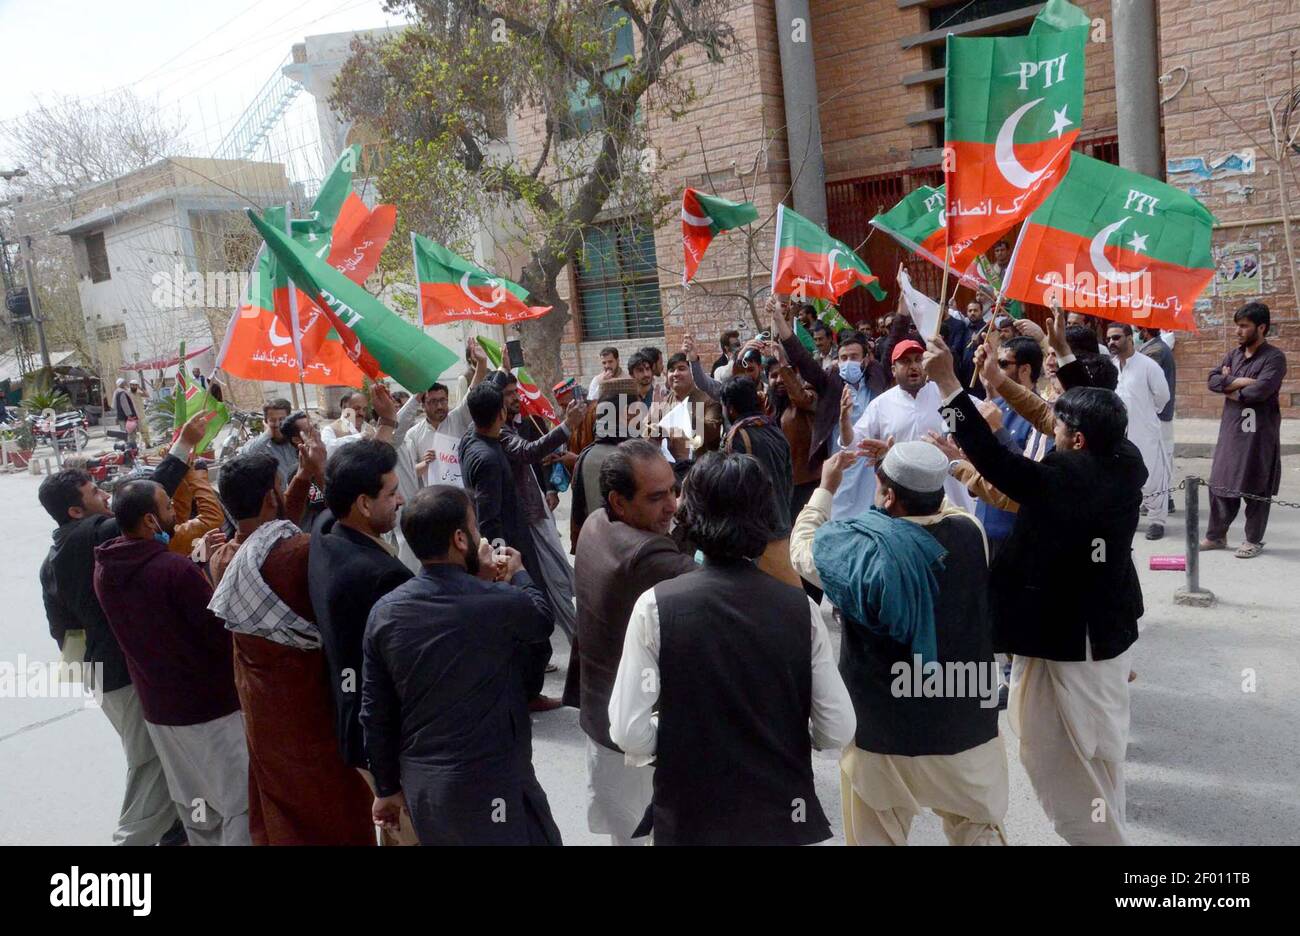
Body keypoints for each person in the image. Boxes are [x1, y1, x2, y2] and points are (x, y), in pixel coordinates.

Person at [923, 335, 1145, 845]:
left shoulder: (1065, 478)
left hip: (1072, 643)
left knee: (1061, 763)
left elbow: (996, 463)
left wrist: (949, 385)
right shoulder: (1124, 456)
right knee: (1101, 760)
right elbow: (1055, 414)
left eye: (1062, 427)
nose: (1052, 426)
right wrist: (999, 384)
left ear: (1078, 441)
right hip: (1102, 635)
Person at [608, 452, 855, 845]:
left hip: (690, 821)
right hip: (779, 820)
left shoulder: (656, 606)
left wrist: (677, 729)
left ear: (692, 516)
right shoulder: (800, 609)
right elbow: (837, 727)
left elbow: (628, 731)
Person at [791, 443, 1007, 846]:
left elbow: (801, 548)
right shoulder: (969, 534)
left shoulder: (855, 550)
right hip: (965, 726)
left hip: (879, 735)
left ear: (887, 495)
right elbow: (944, 511)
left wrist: (825, 489)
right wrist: (917, 466)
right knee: (979, 832)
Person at [37, 413, 211, 846]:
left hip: (104, 675)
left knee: (163, 760)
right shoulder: (90, 536)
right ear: (76, 511)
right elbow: (144, 506)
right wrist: (182, 447)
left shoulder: (54, 558)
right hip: (120, 676)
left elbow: (63, 631)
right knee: (148, 763)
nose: (106, 498)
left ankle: (176, 836)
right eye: (96, 493)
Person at [363, 486, 561, 845]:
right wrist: (517, 574)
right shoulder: (496, 602)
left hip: (427, 787)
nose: (480, 536)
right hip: (493, 782)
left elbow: (375, 711)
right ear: (460, 539)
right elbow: (540, 619)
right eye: (474, 527)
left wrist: (386, 787)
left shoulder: (386, 612)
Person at [207, 451, 374, 845]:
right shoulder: (303, 555)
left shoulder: (224, 559)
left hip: (264, 720)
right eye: (280, 488)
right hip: (314, 717)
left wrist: (301, 478)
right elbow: (285, 543)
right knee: (337, 814)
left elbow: (267, 536)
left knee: (286, 817)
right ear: (271, 497)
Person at [92, 479, 249, 845]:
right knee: (237, 804)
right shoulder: (173, 572)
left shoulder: (106, 568)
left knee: (196, 807)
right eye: (166, 506)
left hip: (161, 712)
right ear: (149, 521)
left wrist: (192, 563)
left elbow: (156, 600)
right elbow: (217, 633)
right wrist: (204, 573)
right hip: (209, 711)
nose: (174, 512)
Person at [573, 440, 697, 845]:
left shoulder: (597, 523)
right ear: (619, 501)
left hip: (601, 724)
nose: (672, 506)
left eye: (674, 491)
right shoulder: (647, 555)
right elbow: (715, 587)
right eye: (656, 497)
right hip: (633, 735)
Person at [307, 438, 413, 828]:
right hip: (383, 742)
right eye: (392, 493)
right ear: (364, 504)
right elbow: (393, 681)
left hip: (354, 729)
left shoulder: (324, 529)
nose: (401, 500)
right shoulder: (381, 577)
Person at [458, 383, 555, 707]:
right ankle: (528, 694)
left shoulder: (473, 439)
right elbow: (489, 517)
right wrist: (502, 561)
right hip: (510, 549)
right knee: (536, 620)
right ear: (500, 412)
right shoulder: (485, 456)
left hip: (509, 544)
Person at [773, 297, 888, 519]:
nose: (848, 362)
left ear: (865, 359)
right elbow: (803, 359)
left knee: (875, 513)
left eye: (854, 357)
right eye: (843, 357)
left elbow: (892, 342)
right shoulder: (830, 384)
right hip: (843, 461)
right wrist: (779, 320)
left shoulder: (878, 380)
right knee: (842, 516)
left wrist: (903, 307)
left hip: (873, 461)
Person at [493, 371, 585, 645]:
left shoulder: (520, 422)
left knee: (565, 579)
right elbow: (528, 451)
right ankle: (582, 646)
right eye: (509, 394)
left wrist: (549, 489)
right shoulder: (499, 433)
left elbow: (538, 459)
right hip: (526, 520)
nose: (516, 398)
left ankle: (587, 642)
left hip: (539, 510)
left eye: (515, 392)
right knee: (557, 583)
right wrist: (567, 425)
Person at [852, 339, 976, 515]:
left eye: (918, 359)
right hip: (904, 504)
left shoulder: (946, 395)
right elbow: (854, 442)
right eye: (906, 361)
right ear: (893, 370)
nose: (914, 366)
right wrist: (844, 424)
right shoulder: (881, 405)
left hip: (951, 499)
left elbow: (983, 415)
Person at [1204, 301, 1289, 557]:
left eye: (1244, 326)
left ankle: (1253, 540)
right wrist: (1237, 382)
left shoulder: (1274, 357)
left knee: (1256, 483)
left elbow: (1260, 390)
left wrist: (1230, 389)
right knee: (1221, 480)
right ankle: (1216, 536)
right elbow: (1212, 380)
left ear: (1261, 327)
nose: (1238, 331)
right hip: (1232, 430)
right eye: (1237, 326)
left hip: (1259, 433)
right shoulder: (1234, 355)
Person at [720, 375, 797, 587]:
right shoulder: (773, 428)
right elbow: (789, 477)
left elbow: (732, 488)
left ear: (730, 408)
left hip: (755, 533)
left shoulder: (737, 437)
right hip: (781, 521)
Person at [1105, 323, 1171, 540]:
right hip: (1118, 432)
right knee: (1121, 476)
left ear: (1129, 338)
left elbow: (1163, 396)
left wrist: (1146, 413)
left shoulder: (1148, 366)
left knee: (1152, 474)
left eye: (1116, 337)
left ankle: (1156, 521)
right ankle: (1128, 518)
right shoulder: (1111, 366)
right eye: (1109, 339)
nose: (1111, 342)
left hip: (1144, 428)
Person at [569, 379, 645, 550]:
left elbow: (579, 519)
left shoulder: (586, 455)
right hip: (635, 554)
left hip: (597, 552)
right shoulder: (637, 456)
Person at [1139, 327, 1177, 516]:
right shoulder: (1155, 348)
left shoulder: (1155, 351)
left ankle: (1161, 499)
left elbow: (1147, 384)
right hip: (1159, 414)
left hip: (1158, 415)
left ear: (1144, 331)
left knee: (1158, 459)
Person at [662, 351, 723, 456]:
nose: (675, 374)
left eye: (681, 369)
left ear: (693, 373)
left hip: (700, 465)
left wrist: (689, 417)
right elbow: (649, 432)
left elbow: (712, 431)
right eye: (671, 370)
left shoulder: (708, 400)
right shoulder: (663, 402)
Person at [240, 398, 300, 484]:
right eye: (272, 420)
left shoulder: (296, 440)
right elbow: (246, 455)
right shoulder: (261, 446)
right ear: (265, 422)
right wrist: (267, 433)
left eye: (282, 419)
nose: (277, 424)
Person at [127, 380, 152, 446]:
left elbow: (147, 395)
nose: (134, 386)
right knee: (133, 432)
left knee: (144, 430)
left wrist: (140, 388)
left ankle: (147, 444)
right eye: (132, 385)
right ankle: (133, 446)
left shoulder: (138, 392)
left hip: (141, 415)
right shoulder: (127, 392)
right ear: (130, 385)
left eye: (135, 385)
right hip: (132, 416)